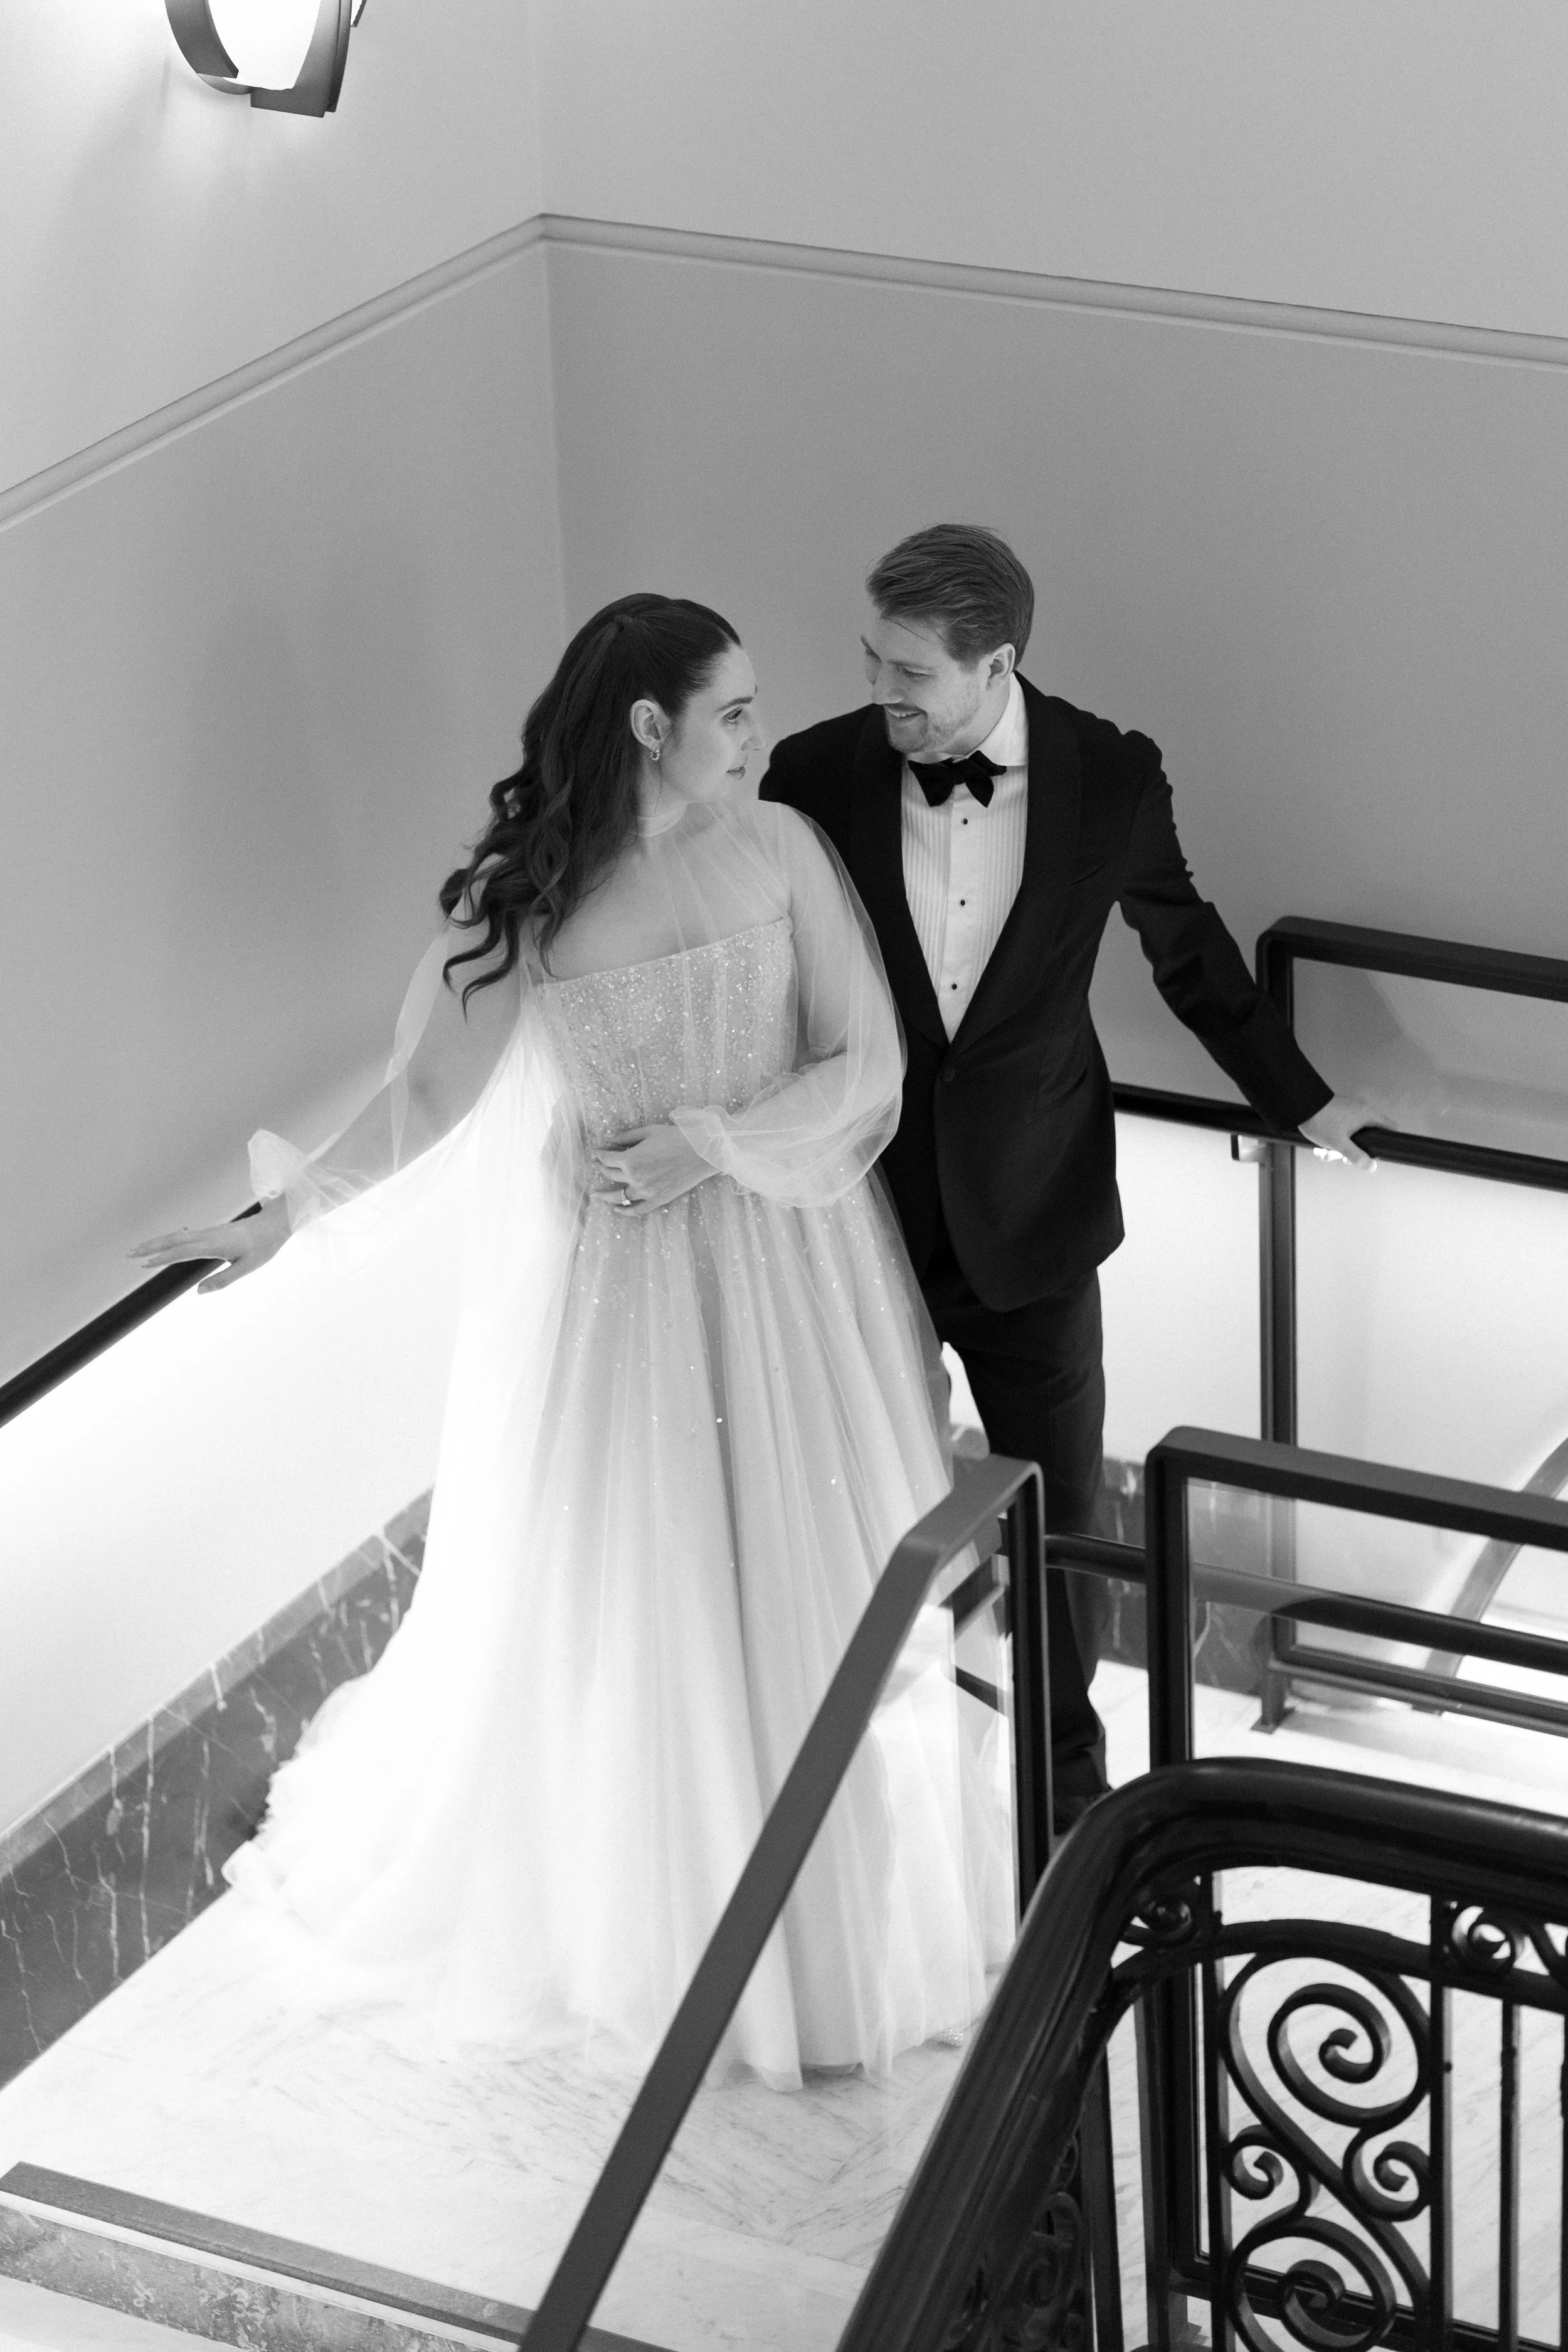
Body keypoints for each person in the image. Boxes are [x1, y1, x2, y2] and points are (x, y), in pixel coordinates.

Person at [133, 595, 1008, 2087]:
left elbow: (859, 1066)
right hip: (632, 1305)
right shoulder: (534, 908)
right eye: (730, 712)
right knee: (651, 1598)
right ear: (650, 727)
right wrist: (277, 1220)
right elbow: (425, 1102)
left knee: (804, 1585)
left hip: (789, 1270)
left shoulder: (782, 847)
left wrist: (714, 1145)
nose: (757, 733)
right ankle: (674, 1924)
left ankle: (833, 1916)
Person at [761, 524, 1381, 1828]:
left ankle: (1068, 1800)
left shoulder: (1109, 778)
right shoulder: (813, 772)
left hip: (1035, 1218)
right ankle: (837, 1782)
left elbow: (1187, 948)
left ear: (996, 663)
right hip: (856, 1214)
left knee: (1056, 1522)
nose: (881, 695)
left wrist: (1302, 1100)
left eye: (909, 674)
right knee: (835, 1498)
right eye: (870, 659)